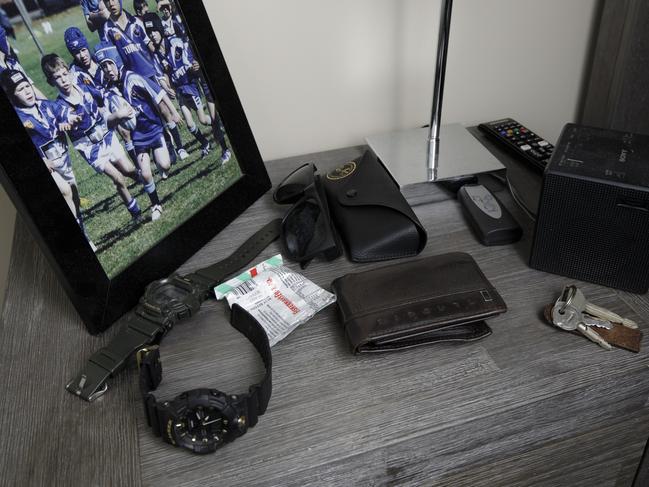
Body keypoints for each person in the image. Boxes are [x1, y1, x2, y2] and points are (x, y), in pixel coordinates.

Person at [40, 54, 156, 221]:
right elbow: (57, 124)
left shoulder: (84, 85)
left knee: (128, 169)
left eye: (65, 74)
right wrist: (65, 125)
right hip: (89, 147)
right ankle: (136, 213)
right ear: (51, 82)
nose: (63, 80)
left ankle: (144, 180)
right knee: (118, 178)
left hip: (106, 135)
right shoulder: (58, 107)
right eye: (57, 78)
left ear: (70, 73)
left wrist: (118, 106)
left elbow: (103, 96)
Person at [0, 69, 95, 249]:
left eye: (27, 86)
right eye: (20, 89)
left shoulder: (44, 106)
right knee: (66, 191)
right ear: (12, 95)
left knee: (74, 197)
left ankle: (83, 234)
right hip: (46, 165)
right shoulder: (19, 118)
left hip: (63, 162)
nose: (27, 91)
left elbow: (62, 113)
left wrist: (71, 119)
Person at [96, 43, 179, 221]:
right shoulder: (109, 91)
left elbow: (159, 94)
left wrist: (174, 112)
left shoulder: (133, 78)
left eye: (110, 63)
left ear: (117, 61)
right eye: (103, 66)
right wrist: (118, 116)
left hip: (154, 128)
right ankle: (156, 205)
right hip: (138, 136)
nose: (108, 69)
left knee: (164, 165)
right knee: (146, 173)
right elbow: (108, 120)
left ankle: (167, 139)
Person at [101, 0, 187, 162]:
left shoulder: (137, 22)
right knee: (150, 117)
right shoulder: (108, 29)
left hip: (149, 74)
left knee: (164, 111)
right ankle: (167, 148)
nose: (111, 3)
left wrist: (162, 64)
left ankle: (180, 147)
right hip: (130, 81)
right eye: (107, 1)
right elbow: (110, 58)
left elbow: (152, 47)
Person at [143, 13, 217, 160]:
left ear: (160, 29)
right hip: (180, 91)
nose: (152, 35)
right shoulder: (156, 56)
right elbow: (161, 76)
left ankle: (217, 124)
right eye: (149, 33)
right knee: (189, 124)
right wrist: (166, 87)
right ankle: (205, 143)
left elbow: (189, 61)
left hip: (190, 86)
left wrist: (192, 68)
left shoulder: (175, 43)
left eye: (154, 31)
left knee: (202, 120)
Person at [64, 27, 140, 165]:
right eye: (76, 53)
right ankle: (138, 165)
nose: (82, 55)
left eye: (83, 50)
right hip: (100, 109)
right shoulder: (74, 74)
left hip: (117, 96)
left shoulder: (100, 58)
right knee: (124, 131)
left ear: (87, 47)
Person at [0, 25, 46, 99]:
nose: (9, 45)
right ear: (2, 44)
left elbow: (32, 88)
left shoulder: (12, 63)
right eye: (6, 40)